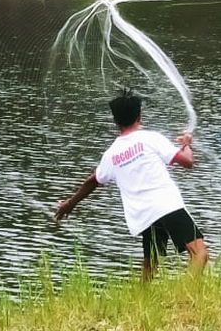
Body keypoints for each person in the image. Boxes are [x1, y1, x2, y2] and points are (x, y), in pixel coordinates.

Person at [54, 89, 209, 280]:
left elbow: (92, 181)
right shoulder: (150, 138)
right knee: (199, 253)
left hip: (143, 214)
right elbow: (187, 162)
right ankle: (187, 299)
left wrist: (70, 204)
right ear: (140, 116)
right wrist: (186, 143)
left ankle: (143, 300)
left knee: (150, 265)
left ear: (116, 122)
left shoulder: (112, 153)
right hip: (166, 205)